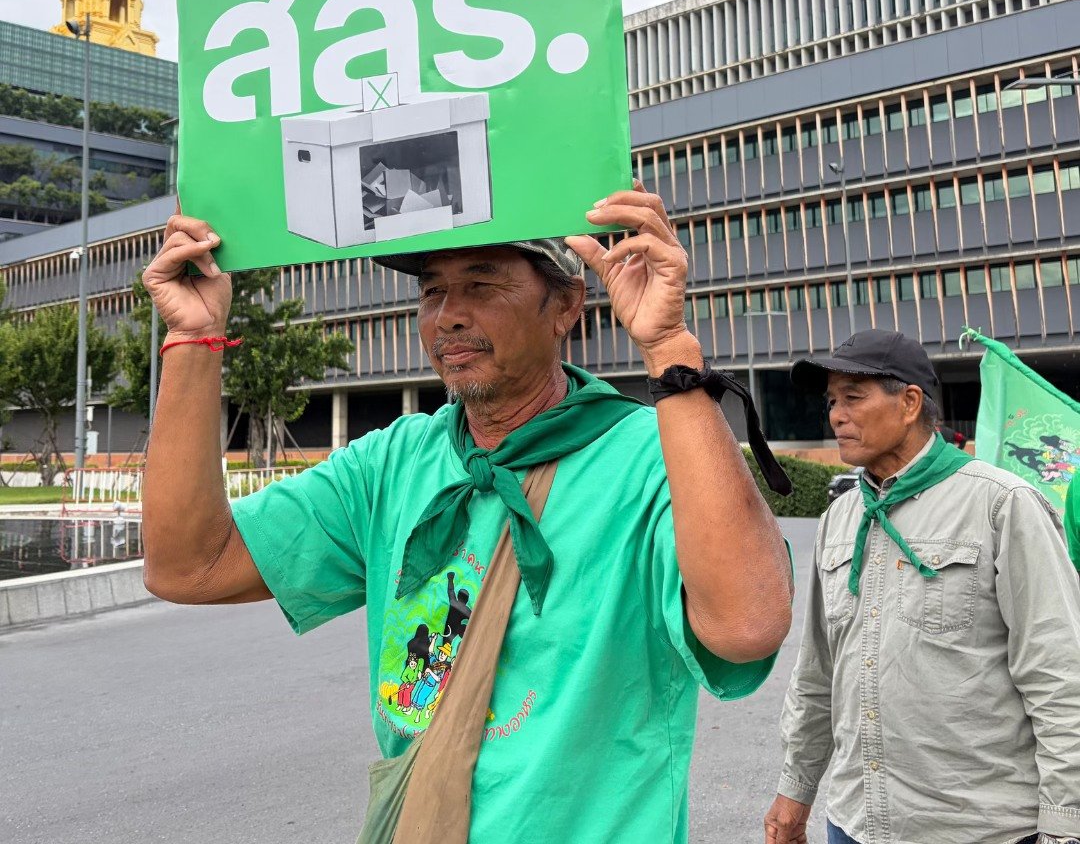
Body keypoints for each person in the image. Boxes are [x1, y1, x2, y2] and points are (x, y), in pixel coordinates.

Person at [140, 183, 793, 843]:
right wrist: (193, 339)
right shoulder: (391, 464)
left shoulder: (651, 457)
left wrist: (669, 351)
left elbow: (747, 625)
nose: (448, 315)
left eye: (482, 285)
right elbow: (190, 566)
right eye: (432, 291)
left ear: (565, 305)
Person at [763, 329, 1080, 844]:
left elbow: (1060, 675)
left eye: (853, 397)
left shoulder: (1001, 505)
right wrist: (796, 789)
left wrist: (1064, 825)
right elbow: (818, 671)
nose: (835, 415)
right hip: (854, 822)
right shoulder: (840, 518)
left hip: (977, 828)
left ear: (910, 402)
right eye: (831, 401)